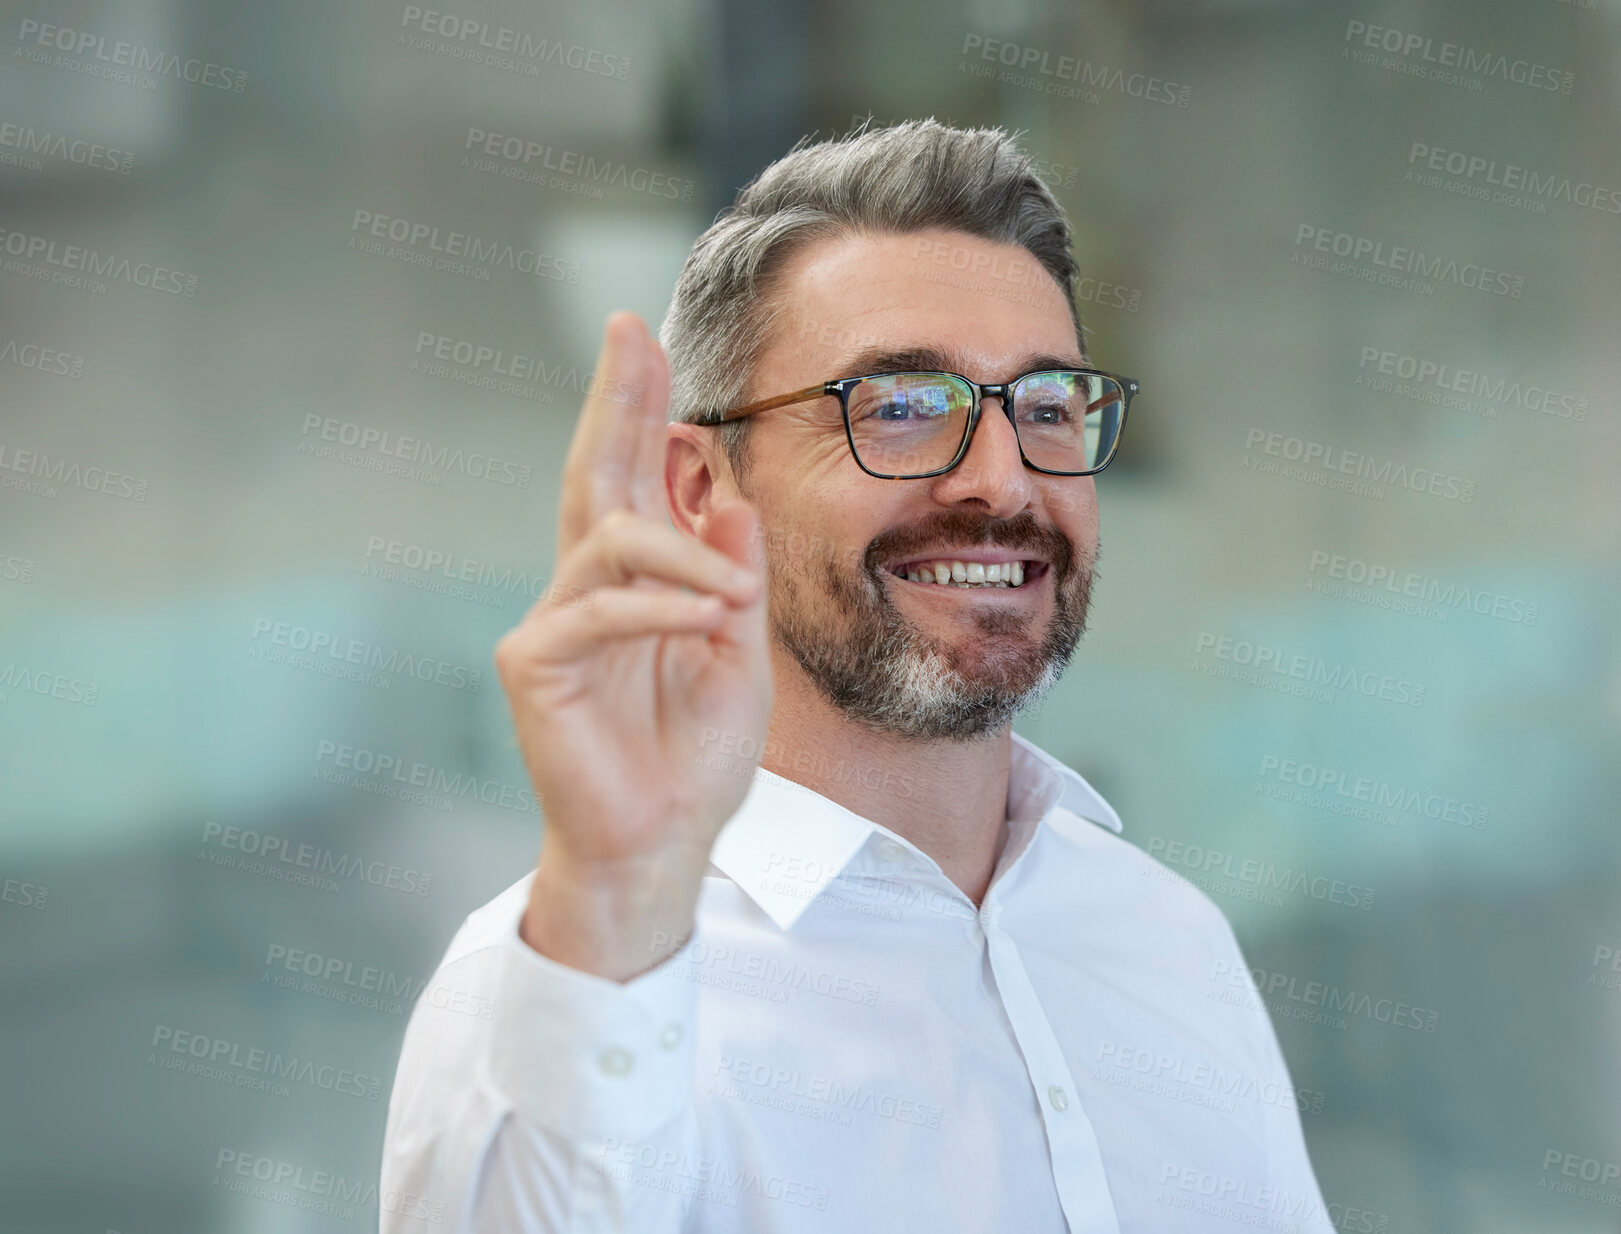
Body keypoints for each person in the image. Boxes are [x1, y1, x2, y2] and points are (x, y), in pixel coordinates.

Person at [380, 119, 1333, 1233]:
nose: (1000, 481)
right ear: (697, 490)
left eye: (1045, 408)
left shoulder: (1166, 939)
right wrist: (613, 901)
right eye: (899, 406)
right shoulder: (574, 983)